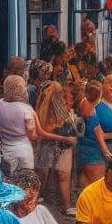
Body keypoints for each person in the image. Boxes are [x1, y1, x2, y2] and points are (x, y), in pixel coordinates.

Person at [33, 81, 79, 214]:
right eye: (50, 92)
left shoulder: (62, 107)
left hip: (63, 144)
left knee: (64, 173)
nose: (54, 95)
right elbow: (43, 131)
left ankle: (67, 205)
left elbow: (69, 125)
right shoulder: (40, 110)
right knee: (43, 174)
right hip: (48, 144)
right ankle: (38, 197)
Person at [0, 74, 38, 172]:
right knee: (26, 182)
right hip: (24, 151)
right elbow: (32, 134)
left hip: (4, 151)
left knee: (8, 183)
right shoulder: (26, 108)